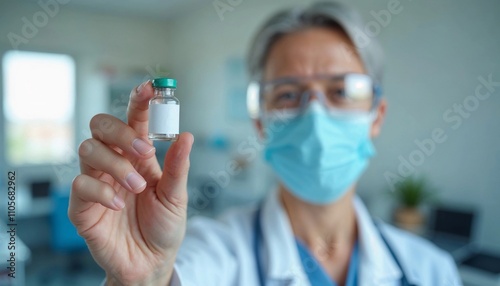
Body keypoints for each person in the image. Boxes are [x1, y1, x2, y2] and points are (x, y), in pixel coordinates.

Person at [69, 2, 462, 285]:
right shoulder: (213, 254)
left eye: (341, 91)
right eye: (288, 95)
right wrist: (145, 280)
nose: (315, 116)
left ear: (376, 116)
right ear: (261, 123)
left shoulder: (431, 271)